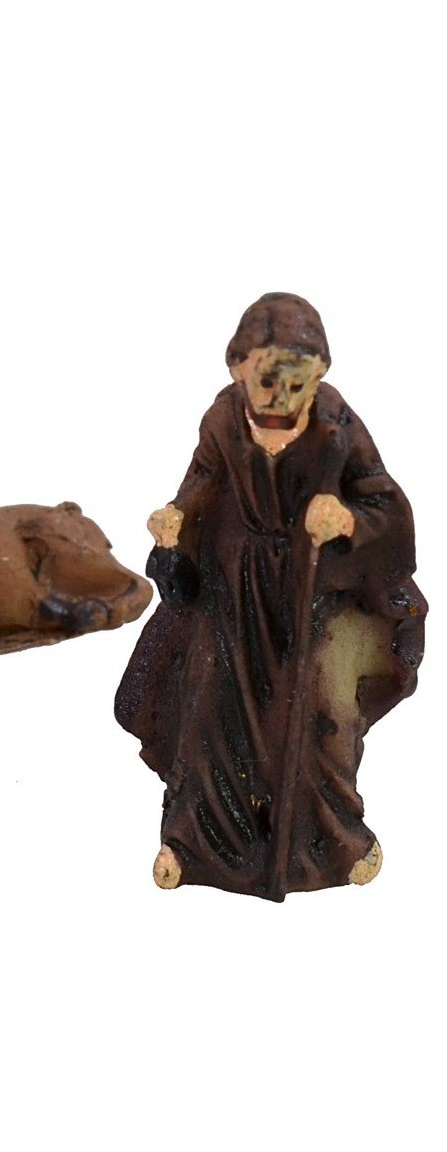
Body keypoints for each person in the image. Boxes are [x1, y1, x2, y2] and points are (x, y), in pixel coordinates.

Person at [115, 294, 426, 900]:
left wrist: (347, 520)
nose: (280, 396)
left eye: (297, 381)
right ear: (238, 368)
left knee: (323, 713)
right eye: (266, 379)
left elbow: (386, 504)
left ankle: (336, 840)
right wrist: (177, 519)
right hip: (235, 588)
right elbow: (203, 479)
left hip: (319, 594)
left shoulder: (336, 426)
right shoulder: (223, 419)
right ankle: (191, 841)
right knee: (207, 701)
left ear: (319, 375)